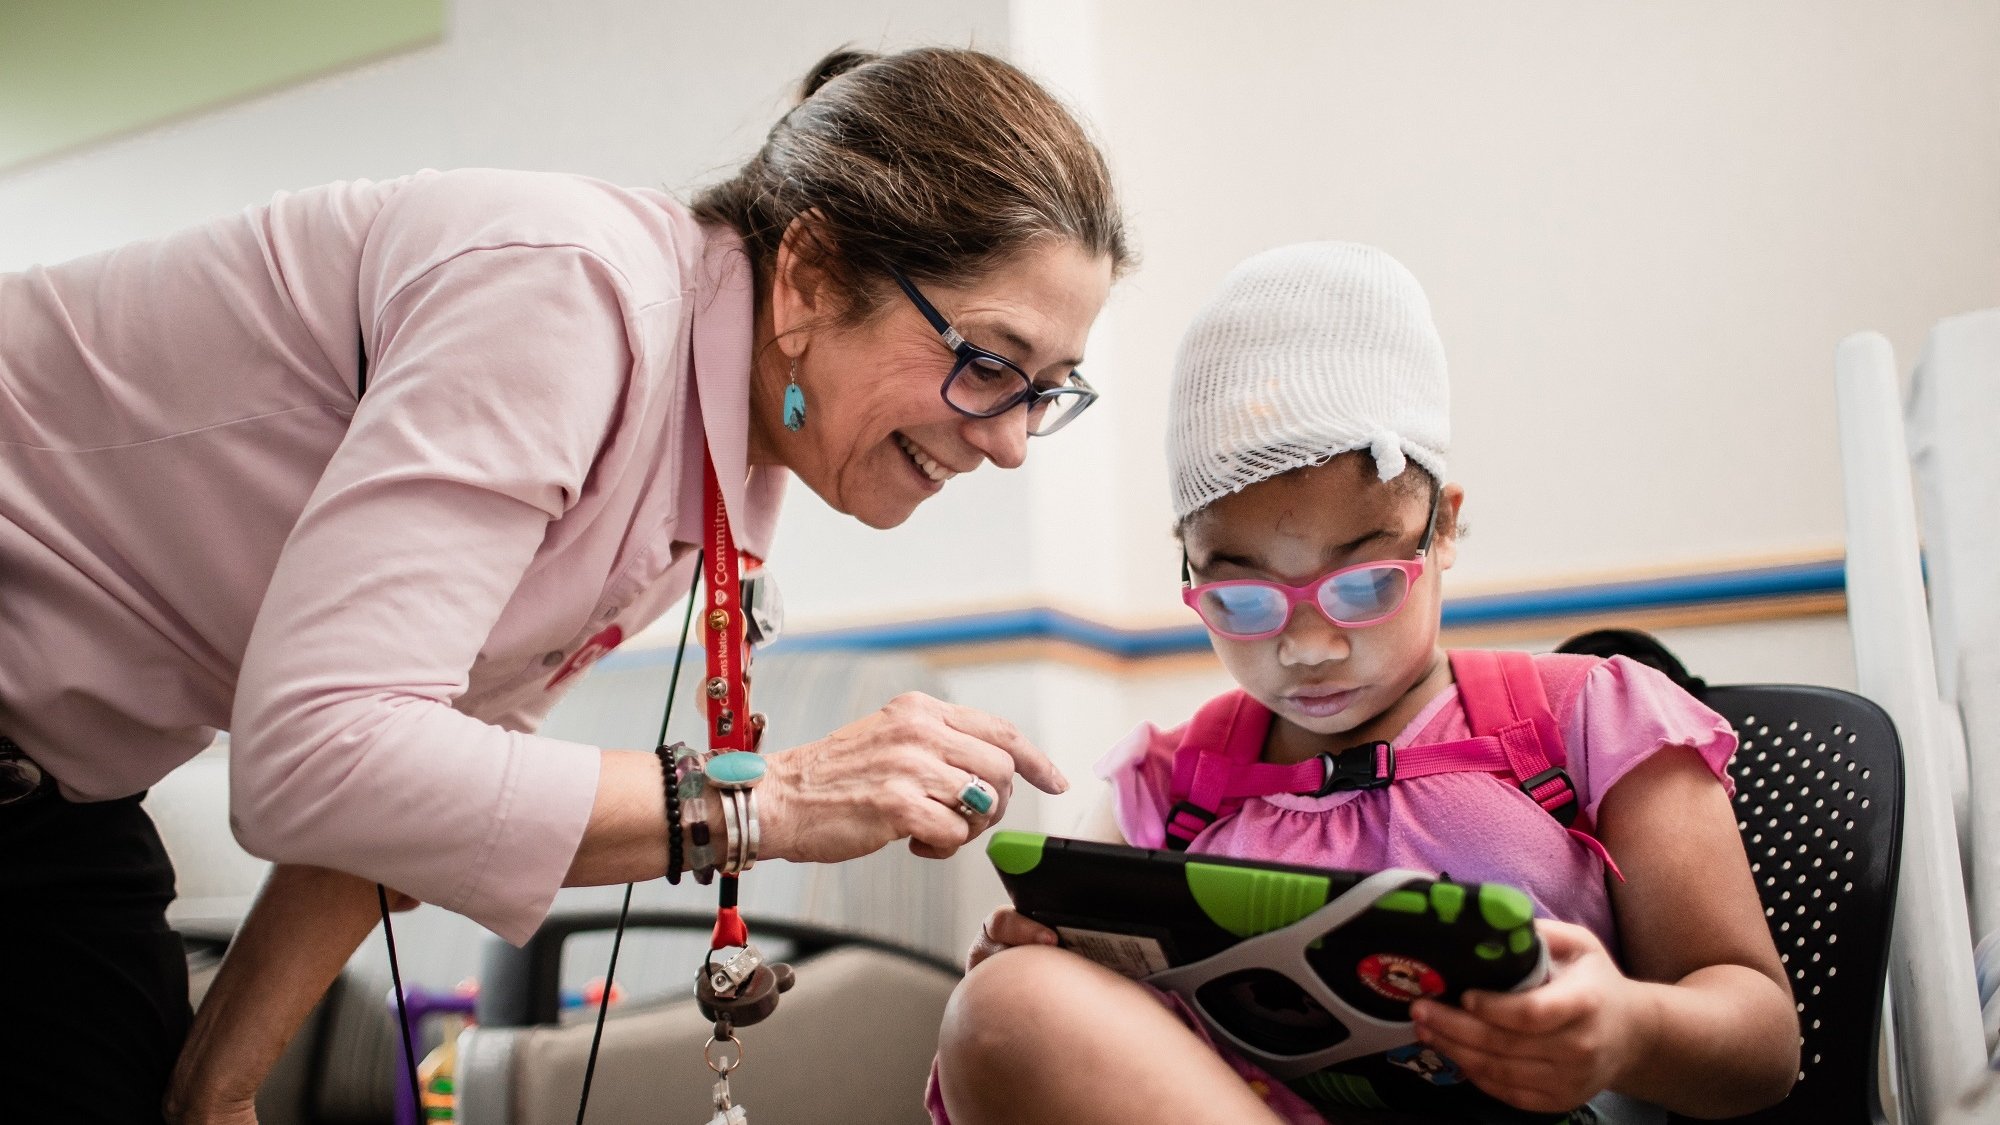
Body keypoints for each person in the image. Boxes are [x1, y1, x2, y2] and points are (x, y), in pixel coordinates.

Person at [0, 46, 1129, 1123]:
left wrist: (217, 1095)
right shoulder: (570, 293)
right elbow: (315, 760)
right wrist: (768, 801)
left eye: (1047, 392)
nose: (1011, 443)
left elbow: (389, 808)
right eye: (988, 364)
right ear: (810, 275)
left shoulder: (709, 474)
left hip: (57, 790)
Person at [932, 244, 1797, 1124]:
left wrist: (1631, 1029)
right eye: (1241, 598)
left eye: (1362, 584)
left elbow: (1765, 1037)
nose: (1309, 647)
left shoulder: (1587, 721)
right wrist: (1049, 971)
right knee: (1007, 1004)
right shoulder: (1168, 788)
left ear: (1443, 530)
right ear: (1188, 570)